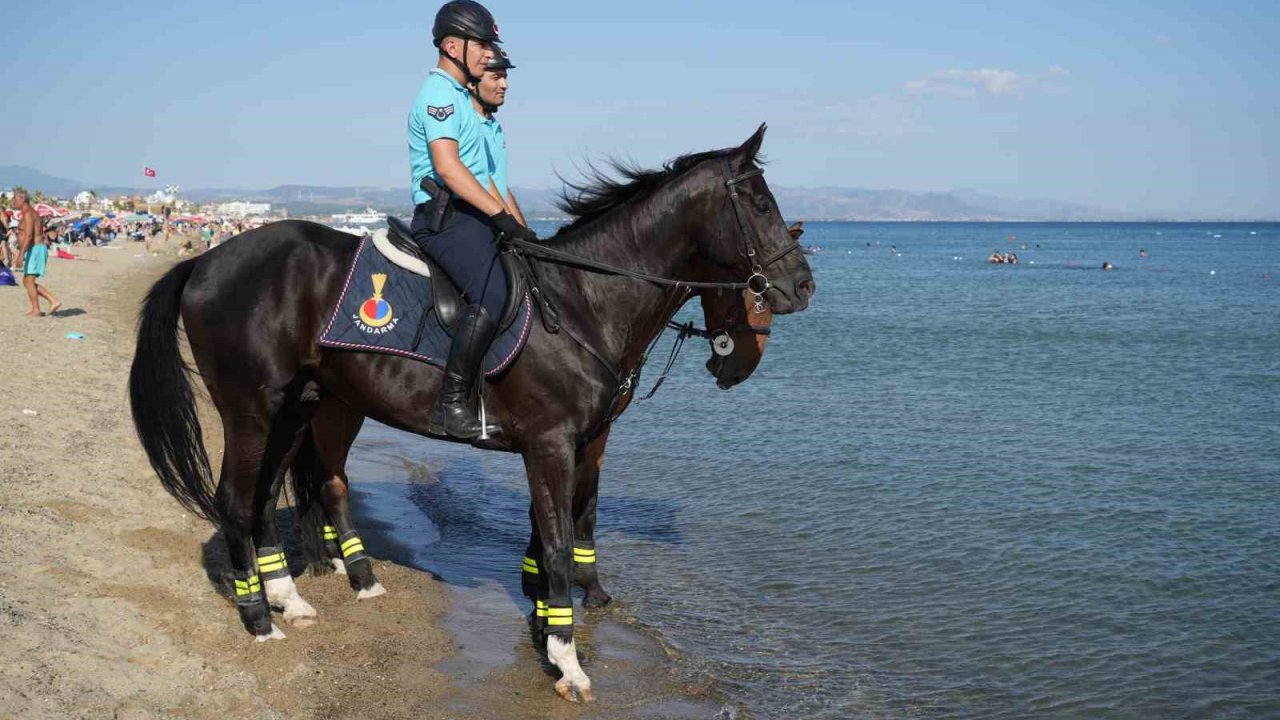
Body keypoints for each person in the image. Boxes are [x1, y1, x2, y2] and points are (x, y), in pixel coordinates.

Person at [407, 0, 536, 440]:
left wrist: (522, 232)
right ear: (451, 45)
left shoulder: (463, 99)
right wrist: (501, 217)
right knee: (491, 292)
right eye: (480, 44)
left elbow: (491, 182)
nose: (488, 53)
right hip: (443, 218)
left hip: (471, 215)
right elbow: (448, 168)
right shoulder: (439, 94)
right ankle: (451, 405)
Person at [469, 48, 527, 224]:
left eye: (505, 77)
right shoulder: (469, 124)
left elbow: (500, 187)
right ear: (472, 83)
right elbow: (482, 181)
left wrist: (524, 232)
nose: (504, 84)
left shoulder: (493, 125)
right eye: (495, 77)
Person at [13, 190, 61, 317]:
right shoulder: (29, 214)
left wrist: (20, 255)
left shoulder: (29, 214)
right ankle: (52, 301)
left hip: (36, 249)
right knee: (27, 281)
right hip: (34, 249)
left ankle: (37, 309)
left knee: (28, 281)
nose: (14, 202)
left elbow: (28, 236)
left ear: (22, 199)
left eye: (15, 199)